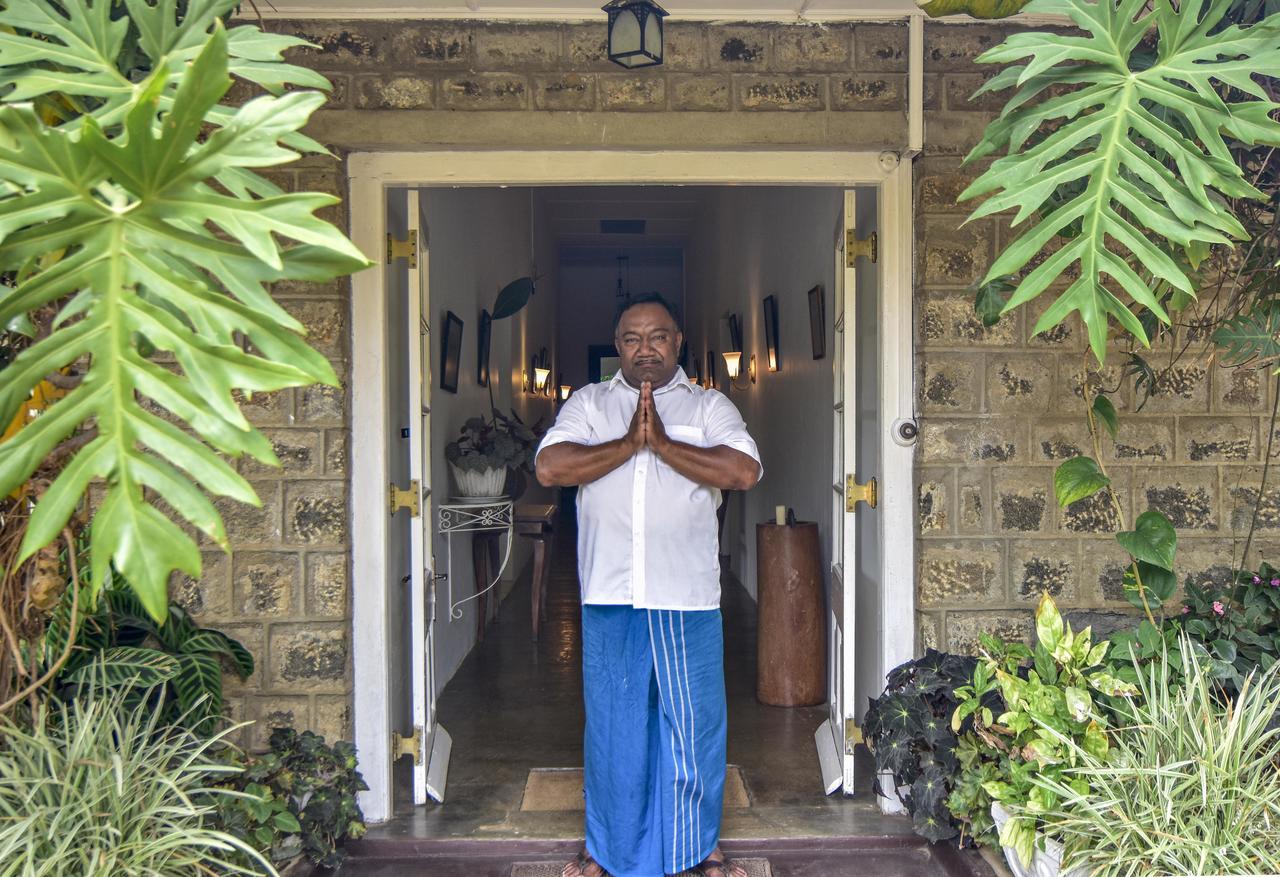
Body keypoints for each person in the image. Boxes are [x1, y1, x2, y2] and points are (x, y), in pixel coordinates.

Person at [536, 293, 762, 877]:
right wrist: (626, 444)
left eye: (657, 336)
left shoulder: (709, 406)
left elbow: (742, 471)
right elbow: (552, 467)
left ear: (678, 342)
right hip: (609, 594)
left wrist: (663, 443)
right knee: (615, 733)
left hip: (686, 596)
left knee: (693, 730)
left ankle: (698, 848)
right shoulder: (589, 403)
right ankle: (605, 850)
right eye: (632, 338)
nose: (645, 349)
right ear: (618, 346)